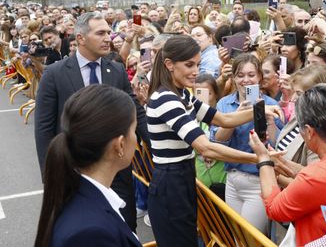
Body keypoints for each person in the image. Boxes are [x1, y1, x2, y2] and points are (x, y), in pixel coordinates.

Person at [146, 35, 281, 246]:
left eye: (198, 64)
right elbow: (206, 147)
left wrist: (260, 109)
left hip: (182, 176)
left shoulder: (183, 94)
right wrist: (259, 159)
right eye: (189, 65)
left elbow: (223, 119)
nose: (195, 71)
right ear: (169, 64)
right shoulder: (166, 98)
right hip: (170, 181)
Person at [34, 12, 149, 232]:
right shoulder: (54, 74)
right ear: (80, 38)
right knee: (83, 231)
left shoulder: (116, 70)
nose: (108, 38)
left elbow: (135, 110)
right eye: (101, 33)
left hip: (115, 170)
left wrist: (153, 144)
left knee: (124, 228)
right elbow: (43, 128)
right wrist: (49, 175)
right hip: (73, 170)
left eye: (108, 32)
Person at [249, 84, 326, 246]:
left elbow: (274, 209)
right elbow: (322, 184)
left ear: (309, 131)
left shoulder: (318, 175)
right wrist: (282, 163)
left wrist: (263, 159)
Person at [34, 85, 142, 247]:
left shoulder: (81, 194)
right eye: (134, 130)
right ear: (120, 145)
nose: (136, 138)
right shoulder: (90, 233)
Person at [210, 53, 283, 234]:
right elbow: (217, 141)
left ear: (259, 76)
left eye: (251, 75)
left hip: (258, 181)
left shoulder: (271, 104)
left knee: (251, 237)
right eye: (240, 75)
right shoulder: (225, 104)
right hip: (232, 179)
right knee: (236, 236)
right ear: (234, 78)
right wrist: (236, 118)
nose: (246, 80)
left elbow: (278, 145)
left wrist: (270, 122)